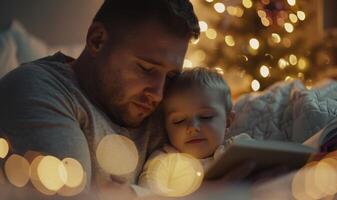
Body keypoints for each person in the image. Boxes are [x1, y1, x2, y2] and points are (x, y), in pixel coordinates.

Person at [0, 0, 201, 199]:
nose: (157, 94)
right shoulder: (37, 89)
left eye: (171, 76)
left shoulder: (171, 104)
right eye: (146, 69)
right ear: (97, 40)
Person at [138, 67, 253, 197]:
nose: (193, 127)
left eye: (206, 117)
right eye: (179, 121)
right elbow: (146, 196)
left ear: (228, 121)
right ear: (165, 127)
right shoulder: (163, 162)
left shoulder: (239, 149)